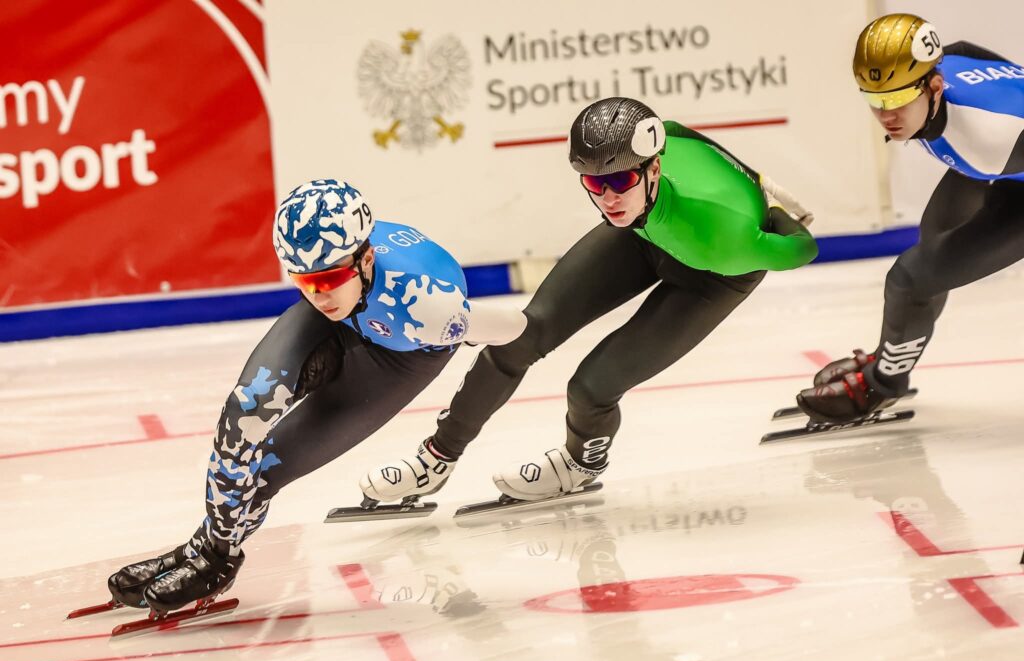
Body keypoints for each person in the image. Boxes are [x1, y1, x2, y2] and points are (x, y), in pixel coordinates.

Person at [358, 96, 818, 509]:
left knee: (591, 388)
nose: (608, 198)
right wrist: (755, 175)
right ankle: (437, 456)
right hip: (644, 234)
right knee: (520, 336)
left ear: (653, 169)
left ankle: (581, 463)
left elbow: (803, 249)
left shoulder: (725, 237)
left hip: (711, 274)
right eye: (594, 184)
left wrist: (775, 211)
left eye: (619, 180)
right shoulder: (638, 180)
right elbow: (674, 127)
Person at [99, 179, 526, 617]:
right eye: (303, 280)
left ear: (366, 258)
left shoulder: (427, 308)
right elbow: (325, 290)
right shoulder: (330, 282)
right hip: (350, 318)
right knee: (243, 415)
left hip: (398, 355)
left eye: (328, 278)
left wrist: (464, 331)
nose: (319, 294)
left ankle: (210, 555)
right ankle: (210, 551)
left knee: (267, 469)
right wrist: (330, 284)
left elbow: (516, 328)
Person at [797, 14, 1024, 423]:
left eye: (899, 99)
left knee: (910, 279)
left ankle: (881, 385)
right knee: (935, 237)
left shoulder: (988, 137)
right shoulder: (943, 70)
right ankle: (891, 357)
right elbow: (964, 50)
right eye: (876, 100)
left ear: (934, 87)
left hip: (1005, 159)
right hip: (1003, 161)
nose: (888, 116)